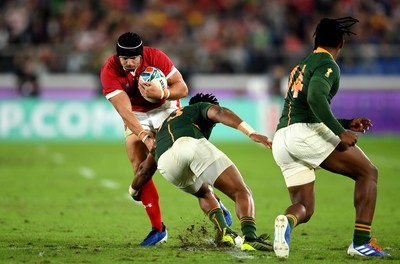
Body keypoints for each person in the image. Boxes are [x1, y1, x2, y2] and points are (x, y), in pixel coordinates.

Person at [271, 17, 390, 258]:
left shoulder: (301, 65)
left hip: (283, 137)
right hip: (304, 134)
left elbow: (306, 104)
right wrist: (339, 131)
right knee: (368, 172)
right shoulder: (328, 64)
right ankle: (361, 243)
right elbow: (316, 98)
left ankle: (287, 221)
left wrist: (346, 123)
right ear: (341, 42)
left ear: (315, 41)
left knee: (306, 206)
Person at [100, 32, 232, 246]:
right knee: (139, 166)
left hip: (165, 107)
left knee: (178, 157)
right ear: (118, 56)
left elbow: (182, 88)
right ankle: (158, 229)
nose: (128, 63)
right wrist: (143, 136)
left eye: (133, 58)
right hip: (137, 114)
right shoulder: (110, 71)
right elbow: (124, 110)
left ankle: (212, 199)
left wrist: (162, 94)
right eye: (124, 59)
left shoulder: (156, 57)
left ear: (141, 56)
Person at [131, 93, 274, 251]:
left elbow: (144, 170)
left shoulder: (165, 125)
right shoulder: (199, 107)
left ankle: (224, 230)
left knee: (205, 193)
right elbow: (219, 113)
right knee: (241, 191)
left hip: (166, 164)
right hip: (189, 144)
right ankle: (250, 237)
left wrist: (134, 189)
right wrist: (251, 133)